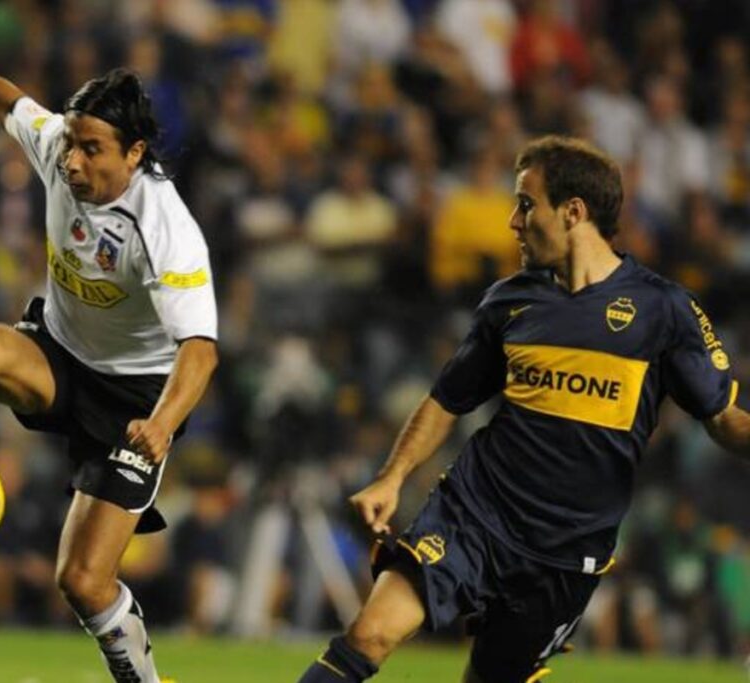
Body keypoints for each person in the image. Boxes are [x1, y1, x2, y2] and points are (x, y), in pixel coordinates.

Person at [296, 135, 750, 683]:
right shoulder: (510, 301)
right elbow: (447, 400)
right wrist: (392, 478)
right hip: (475, 512)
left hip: (565, 554)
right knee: (369, 634)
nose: (513, 220)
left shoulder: (664, 310)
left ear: (574, 212)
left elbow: (724, 420)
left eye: (526, 203)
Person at [0, 8, 219, 682]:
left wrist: (164, 423)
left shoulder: (166, 227)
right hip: (60, 351)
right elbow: (2, 98)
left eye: (93, 150)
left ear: (135, 154)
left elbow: (200, 348)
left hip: (136, 399)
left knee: (82, 581)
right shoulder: (59, 144)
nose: (74, 161)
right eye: (72, 144)